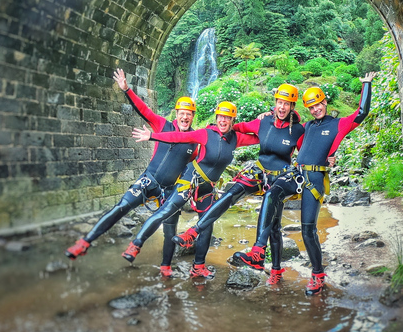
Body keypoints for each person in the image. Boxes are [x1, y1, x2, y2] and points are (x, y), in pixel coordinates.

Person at [234, 72, 378, 295]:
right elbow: (288, 125)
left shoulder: (339, 124)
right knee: (271, 193)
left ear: (325, 102)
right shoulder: (307, 126)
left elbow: (361, 113)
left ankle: (318, 275)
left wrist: (366, 85)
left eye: (318, 105)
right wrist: (269, 114)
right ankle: (258, 251)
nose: (315, 109)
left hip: (314, 180)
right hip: (295, 174)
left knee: (308, 230)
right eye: (311, 107)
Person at [64, 68, 198, 278]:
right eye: (181, 113)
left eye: (188, 115)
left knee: (170, 229)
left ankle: (166, 268)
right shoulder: (163, 125)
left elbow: (192, 164)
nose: (184, 117)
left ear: (192, 117)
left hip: (170, 189)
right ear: (177, 113)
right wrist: (127, 89)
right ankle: (84, 242)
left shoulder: (195, 140)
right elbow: (144, 110)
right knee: (121, 207)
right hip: (149, 179)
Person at [171, 84, 305, 285]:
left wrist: (327, 158)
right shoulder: (264, 122)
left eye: (286, 104)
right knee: (230, 194)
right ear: (275, 102)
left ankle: (275, 270)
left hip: (280, 177)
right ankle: (193, 232)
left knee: (274, 226)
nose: (282, 107)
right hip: (258, 170)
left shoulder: (298, 130)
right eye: (279, 102)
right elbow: (237, 127)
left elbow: (305, 154)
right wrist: (215, 131)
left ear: (292, 106)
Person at [124, 101, 259, 278]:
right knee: (166, 211)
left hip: (207, 187)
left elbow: (262, 136)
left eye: (227, 118)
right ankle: (136, 244)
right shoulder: (206, 134)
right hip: (190, 178)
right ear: (216, 117)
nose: (223, 121)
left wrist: (264, 120)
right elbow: (177, 137)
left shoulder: (236, 138)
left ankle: (198, 267)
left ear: (233, 120)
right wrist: (152, 136)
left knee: (206, 225)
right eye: (221, 117)